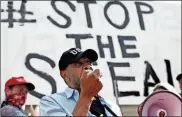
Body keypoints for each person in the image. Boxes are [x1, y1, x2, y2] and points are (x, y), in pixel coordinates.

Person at [39, 48, 122, 116]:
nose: (87, 66)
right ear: (64, 74)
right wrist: (86, 96)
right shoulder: (50, 102)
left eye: (89, 62)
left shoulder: (113, 107)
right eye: (77, 64)